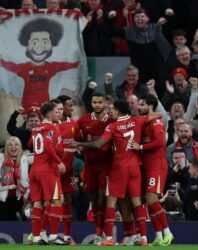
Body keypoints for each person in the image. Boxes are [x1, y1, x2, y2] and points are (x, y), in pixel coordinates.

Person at [73, 99, 162, 246]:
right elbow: (158, 115)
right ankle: (144, 239)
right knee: (136, 202)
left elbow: (98, 144)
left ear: (118, 110)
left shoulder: (113, 126)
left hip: (119, 167)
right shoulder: (137, 120)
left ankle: (108, 238)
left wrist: (79, 143)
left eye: (112, 109)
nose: (110, 112)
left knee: (111, 201)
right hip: (135, 167)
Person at [0, 18, 79, 109]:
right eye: (34, 42)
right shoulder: (24, 67)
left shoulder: (51, 67)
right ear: (27, 44)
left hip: (44, 104)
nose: (39, 47)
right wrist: (1, 62)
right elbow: (12, 66)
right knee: (30, 122)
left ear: (52, 44)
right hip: (27, 104)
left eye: (45, 42)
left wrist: (76, 63)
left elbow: (64, 65)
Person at [131, 94, 174, 246]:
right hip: (147, 166)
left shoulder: (156, 122)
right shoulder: (143, 123)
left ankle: (168, 233)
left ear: (150, 106)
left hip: (157, 165)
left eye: (142, 104)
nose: (139, 107)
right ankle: (159, 237)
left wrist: (140, 147)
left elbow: (161, 141)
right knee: (150, 202)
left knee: (151, 199)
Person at [108, 8, 171, 97]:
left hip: (156, 69)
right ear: (134, 19)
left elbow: (169, 25)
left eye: (142, 16)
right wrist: (112, 18)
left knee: (159, 93)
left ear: (147, 18)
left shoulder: (155, 28)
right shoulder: (130, 31)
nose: (139, 19)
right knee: (141, 95)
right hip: (139, 71)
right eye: (137, 17)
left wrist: (169, 16)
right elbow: (115, 30)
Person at [77, 92, 113, 244]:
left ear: (105, 103)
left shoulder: (111, 121)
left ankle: (100, 235)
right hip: (90, 166)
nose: (97, 105)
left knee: (101, 199)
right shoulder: (83, 120)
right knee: (93, 200)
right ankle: (99, 232)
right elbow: (76, 138)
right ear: (91, 103)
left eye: (100, 102)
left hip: (106, 166)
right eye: (95, 102)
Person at [29, 102, 67, 245]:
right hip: (47, 170)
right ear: (49, 114)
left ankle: (37, 237)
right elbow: (47, 145)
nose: (59, 113)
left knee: (38, 203)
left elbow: (32, 145)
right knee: (56, 200)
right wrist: (59, 161)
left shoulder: (35, 129)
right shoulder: (51, 127)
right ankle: (53, 236)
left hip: (34, 169)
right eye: (56, 111)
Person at [57, 95, 81, 244]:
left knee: (67, 200)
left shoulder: (73, 123)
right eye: (69, 106)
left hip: (69, 171)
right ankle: (42, 234)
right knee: (51, 202)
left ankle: (66, 236)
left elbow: (78, 142)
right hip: (54, 170)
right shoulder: (53, 125)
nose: (71, 108)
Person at [0, 137, 31, 220]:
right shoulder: (0, 158)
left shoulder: (26, 157)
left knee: (22, 221)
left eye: (16, 145)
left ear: (20, 146)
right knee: (6, 220)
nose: (13, 147)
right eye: (10, 145)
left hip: (21, 195)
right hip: (4, 197)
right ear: (6, 147)